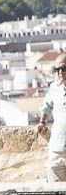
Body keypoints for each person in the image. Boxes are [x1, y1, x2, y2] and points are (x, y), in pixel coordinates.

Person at [38, 52, 66, 182]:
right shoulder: (54, 88)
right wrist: (42, 122)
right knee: (56, 192)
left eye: (64, 68)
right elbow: (47, 106)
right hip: (56, 148)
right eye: (57, 69)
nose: (60, 72)